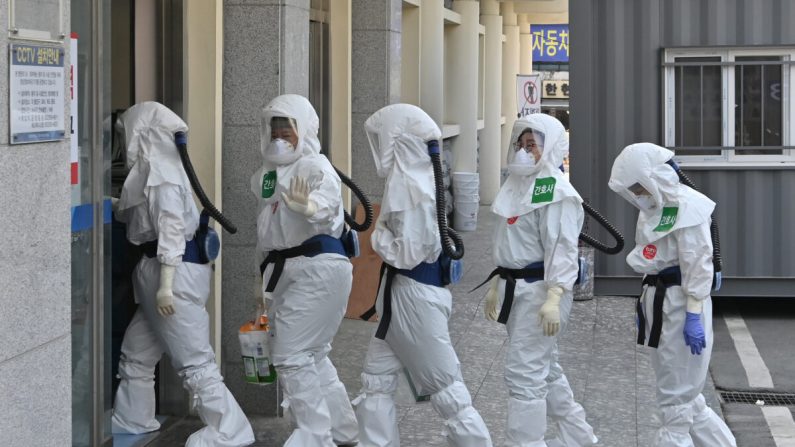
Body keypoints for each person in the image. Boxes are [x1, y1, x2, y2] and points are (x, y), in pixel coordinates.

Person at [112, 101, 254, 446]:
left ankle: (231, 430)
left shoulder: (163, 172)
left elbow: (171, 229)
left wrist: (166, 286)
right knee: (138, 353)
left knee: (194, 361)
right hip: (158, 271)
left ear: (141, 132)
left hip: (170, 274)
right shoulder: (156, 169)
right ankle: (134, 418)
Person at [353, 103, 493, 447]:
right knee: (376, 380)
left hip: (412, 295)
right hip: (403, 295)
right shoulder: (415, 179)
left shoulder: (410, 186)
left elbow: (406, 252)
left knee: (446, 389)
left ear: (395, 140)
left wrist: (377, 238)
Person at [608, 143, 736, 447]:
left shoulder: (688, 207)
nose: (637, 194)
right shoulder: (653, 209)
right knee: (687, 401)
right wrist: (647, 311)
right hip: (661, 303)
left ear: (654, 176)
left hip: (681, 305)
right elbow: (652, 257)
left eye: (639, 186)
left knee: (675, 407)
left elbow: (698, 262)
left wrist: (693, 313)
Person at [482, 113, 598, 447]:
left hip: (541, 293)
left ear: (549, 149)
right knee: (545, 368)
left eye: (532, 145)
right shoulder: (517, 186)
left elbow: (561, 247)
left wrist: (555, 296)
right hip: (516, 289)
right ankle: (581, 438)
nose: (523, 150)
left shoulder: (556, 191)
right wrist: (496, 285)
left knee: (524, 375)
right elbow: (512, 243)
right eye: (521, 143)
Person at [250, 94, 358, 446]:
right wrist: (259, 282)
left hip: (317, 268)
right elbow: (268, 232)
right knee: (313, 353)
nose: (281, 138)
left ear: (305, 131)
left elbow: (329, 205)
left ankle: (315, 435)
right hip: (291, 271)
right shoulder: (270, 175)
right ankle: (343, 431)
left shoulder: (315, 166)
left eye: (288, 131)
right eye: (275, 130)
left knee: (291, 355)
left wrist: (311, 206)